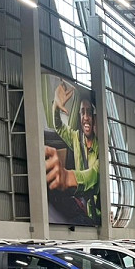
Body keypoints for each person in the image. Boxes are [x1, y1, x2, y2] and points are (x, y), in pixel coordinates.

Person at [45, 80, 100, 221]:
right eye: (82, 112)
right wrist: (56, 107)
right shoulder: (76, 138)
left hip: (96, 216)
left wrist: (66, 176)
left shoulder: (101, 148)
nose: (85, 118)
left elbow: (93, 176)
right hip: (81, 206)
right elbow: (59, 127)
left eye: (89, 113)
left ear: (95, 118)